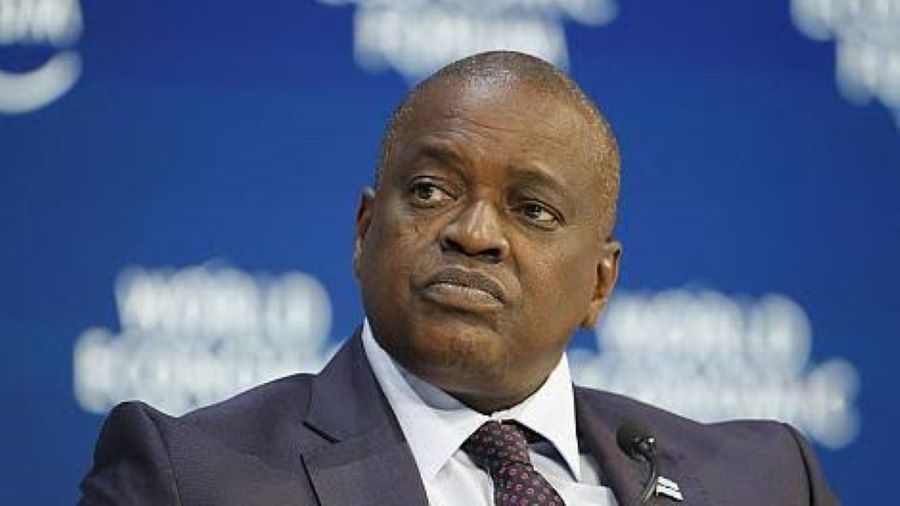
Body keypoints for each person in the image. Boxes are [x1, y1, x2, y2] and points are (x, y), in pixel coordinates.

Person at [80, 51, 838, 505]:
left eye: (532, 210)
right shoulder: (193, 479)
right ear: (364, 230)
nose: (473, 233)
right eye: (430, 191)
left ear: (599, 284)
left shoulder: (765, 480)